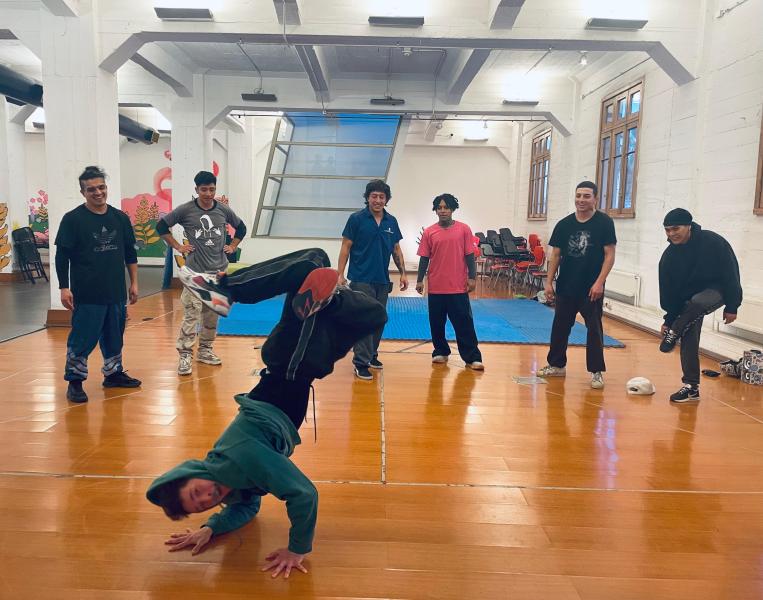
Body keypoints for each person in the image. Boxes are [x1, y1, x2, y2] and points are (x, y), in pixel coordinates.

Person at [146, 248, 387, 578]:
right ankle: (329, 301)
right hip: (296, 367)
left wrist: (297, 548)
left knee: (308, 268)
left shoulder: (244, 458)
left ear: (192, 472)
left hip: (291, 366)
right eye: (202, 505)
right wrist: (210, 527)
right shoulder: (229, 480)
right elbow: (247, 506)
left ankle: (225, 289)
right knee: (369, 311)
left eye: (196, 492)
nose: (208, 497)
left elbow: (303, 494)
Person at [55, 165, 142, 403]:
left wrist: (134, 283)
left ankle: (113, 374)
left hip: (115, 291)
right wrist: (64, 287)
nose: (98, 192)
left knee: (115, 336)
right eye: (91, 189)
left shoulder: (120, 218)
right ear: (83, 192)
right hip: (87, 293)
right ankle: (75, 381)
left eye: (101, 187)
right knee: (83, 338)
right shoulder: (73, 219)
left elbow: (130, 253)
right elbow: (62, 256)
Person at [156, 171, 246, 376]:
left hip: (218, 272)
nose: (208, 194)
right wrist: (178, 246)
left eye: (212, 189)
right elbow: (161, 226)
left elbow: (241, 228)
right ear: (196, 189)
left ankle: (205, 350)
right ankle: (185, 354)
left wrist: (232, 246)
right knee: (191, 314)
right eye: (204, 190)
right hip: (194, 273)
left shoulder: (223, 209)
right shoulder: (186, 210)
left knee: (212, 315)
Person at [536, 181, 616, 389]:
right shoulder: (564, 224)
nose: (581, 200)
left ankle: (596, 371)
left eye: (586, 196)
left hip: (591, 288)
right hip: (566, 285)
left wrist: (599, 283)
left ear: (595, 199)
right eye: (578, 195)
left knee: (594, 329)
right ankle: (556, 365)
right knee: (560, 327)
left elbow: (609, 255)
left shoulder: (604, 223)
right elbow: (555, 255)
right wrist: (549, 282)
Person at [658, 208, 742, 403]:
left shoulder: (713, 242)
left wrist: (732, 306)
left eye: (676, 229)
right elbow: (670, 294)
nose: (671, 234)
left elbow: (731, 273)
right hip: (689, 303)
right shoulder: (668, 258)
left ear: (689, 226)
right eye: (667, 230)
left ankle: (675, 331)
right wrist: (669, 320)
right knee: (689, 333)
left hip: (718, 290)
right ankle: (691, 387)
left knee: (697, 302)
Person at [337, 179, 407, 381]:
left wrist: (403, 273)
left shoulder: (391, 221)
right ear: (367, 198)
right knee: (364, 319)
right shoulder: (356, 219)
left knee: (378, 319)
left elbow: (396, 249)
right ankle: (361, 362)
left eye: (381, 197)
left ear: (386, 200)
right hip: (361, 278)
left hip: (382, 280)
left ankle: (372, 354)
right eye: (374, 196)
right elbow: (346, 247)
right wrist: (340, 274)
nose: (377, 200)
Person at [415, 193, 484, 370]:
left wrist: (472, 278)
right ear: (435, 210)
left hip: (457, 287)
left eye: (446, 207)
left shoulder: (464, 229)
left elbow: (469, 256)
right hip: (436, 287)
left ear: (452, 209)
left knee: (464, 323)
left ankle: (472, 357)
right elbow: (424, 258)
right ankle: (440, 351)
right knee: (436, 323)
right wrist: (420, 280)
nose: (443, 211)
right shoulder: (429, 232)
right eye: (439, 207)